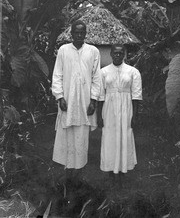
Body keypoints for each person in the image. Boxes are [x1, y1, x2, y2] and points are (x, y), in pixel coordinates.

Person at [52, 20, 101, 180]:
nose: (79, 35)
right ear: (71, 33)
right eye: (76, 32)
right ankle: (66, 167)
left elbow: (96, 77)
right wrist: (60, 97)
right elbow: (57, 75)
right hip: (67, 100)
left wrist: (93, 100)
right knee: (66, 132)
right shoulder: (63, 50)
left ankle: (79, 168)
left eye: (82, 33)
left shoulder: (93, 51)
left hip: (85, 102)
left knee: (81, 133)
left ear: (85, 34)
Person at [97, 44, 142, 187]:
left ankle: (122, 171)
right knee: (110, 137)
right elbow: (100, 95)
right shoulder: (103, 72)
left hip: (126, 107)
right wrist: (99, 116)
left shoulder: (133, 71)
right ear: (111, 54)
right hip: (109, 108)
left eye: (120, 53)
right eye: (115, 53)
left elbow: (136, 95)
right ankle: (111, 171)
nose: (117, 55)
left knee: (124, 136)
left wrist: (135, 116)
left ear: (124, 54)